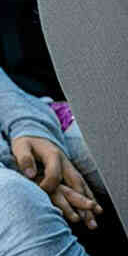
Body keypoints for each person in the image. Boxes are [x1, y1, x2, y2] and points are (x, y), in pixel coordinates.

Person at [0, 66, 103, 256]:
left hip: (18, 114)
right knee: (16, 201)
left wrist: (29, 126)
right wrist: (21, 168)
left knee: (118, 151)